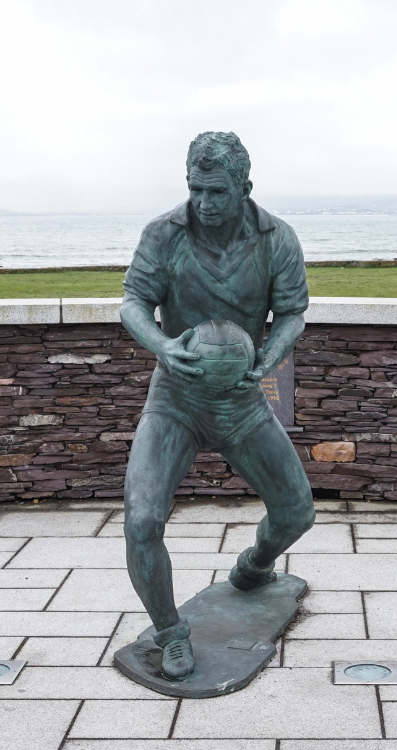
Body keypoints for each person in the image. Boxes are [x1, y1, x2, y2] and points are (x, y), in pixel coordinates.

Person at [120, 131, 315, 680]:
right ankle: (170, 632)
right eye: (196, 189)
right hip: (175, 399)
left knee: (297, 512)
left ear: (244, 188)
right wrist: (162, 345)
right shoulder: (163, 233)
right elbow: (133, 302)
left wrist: (269, 356)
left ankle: (253, 568)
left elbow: (292, 314)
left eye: (217, 192)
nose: (204, 203)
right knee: (141, 521)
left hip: (241, 398)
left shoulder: (277, 238)